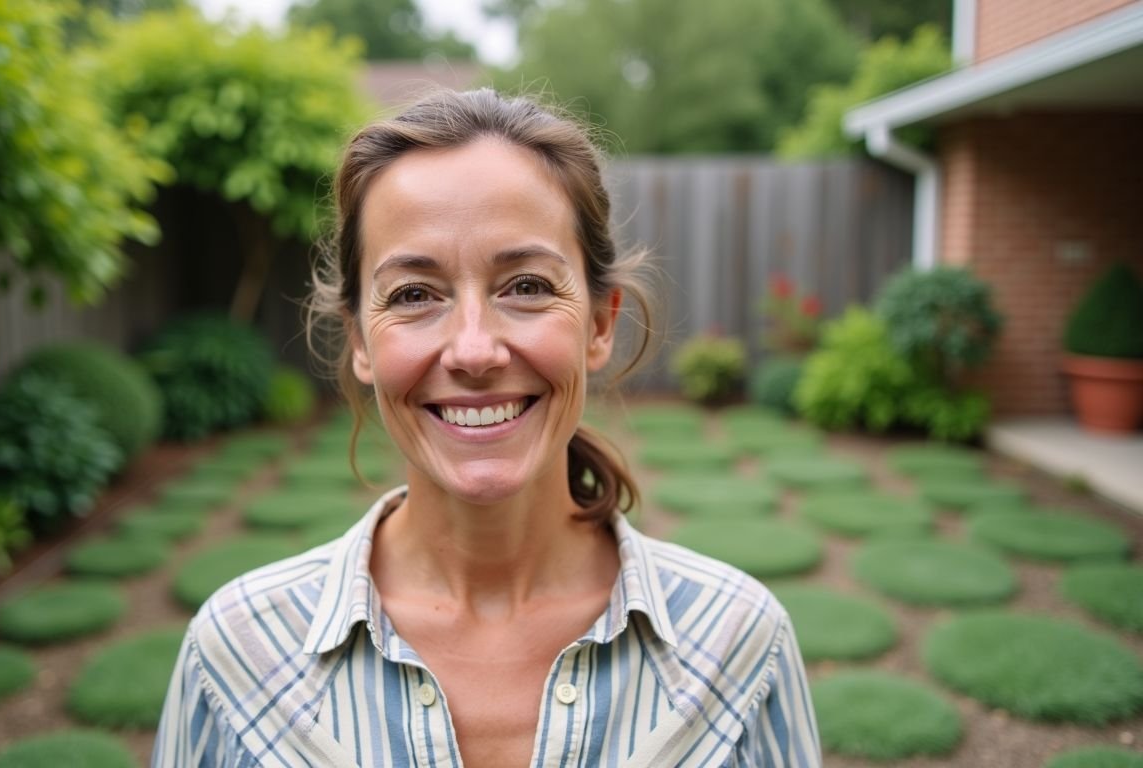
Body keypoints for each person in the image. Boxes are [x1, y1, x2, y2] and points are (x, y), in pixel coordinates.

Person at [152, 88, 820, 767]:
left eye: (526, 285)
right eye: (414, 295)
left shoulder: (740, 645)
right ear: (359, 340)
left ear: (599, 323)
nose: (474, 351)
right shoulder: (235, 656)